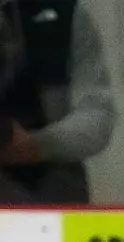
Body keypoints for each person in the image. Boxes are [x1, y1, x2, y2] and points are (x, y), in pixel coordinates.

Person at [0, 0, 115, 205]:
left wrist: (36, 145)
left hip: (50, 179)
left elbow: (97, 117)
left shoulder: (64, 15)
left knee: (61, 185)